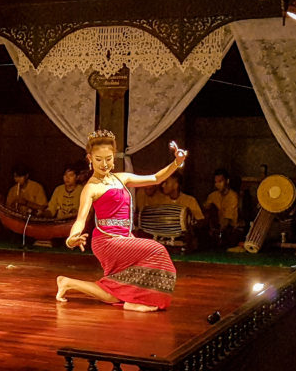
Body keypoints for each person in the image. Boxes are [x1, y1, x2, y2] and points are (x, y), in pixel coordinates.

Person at [55, 130, 186, 312]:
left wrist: (176, 163)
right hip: (107, 242)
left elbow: (156, 178)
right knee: (157, 250)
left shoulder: (121, 178)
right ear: (90, 158)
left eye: (108, 158)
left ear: (113, 157)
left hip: (125, 238)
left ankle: (67, 282)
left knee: (114, 293)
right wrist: (72, 238)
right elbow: (80, 219)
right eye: (99, 159)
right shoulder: (91, 188)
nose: (104, 164)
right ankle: (141, 300)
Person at [203, 168, 240, 247]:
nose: (217, 185)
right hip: (213, 229)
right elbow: (205, 212)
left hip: (229, 230)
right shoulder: (212, 196)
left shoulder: (233, 196)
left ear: (227, 181)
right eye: (216, 182)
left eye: (220, 181)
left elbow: (227, 219)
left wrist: (219, 232)